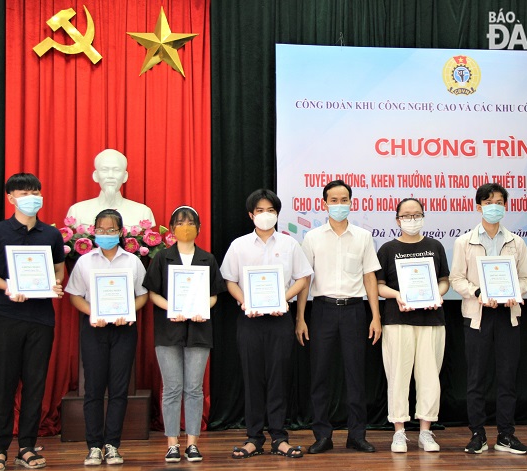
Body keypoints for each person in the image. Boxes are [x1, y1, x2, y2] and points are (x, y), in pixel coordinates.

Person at [0, 173, 65, 470]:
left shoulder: (50, 234)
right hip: (5, 316)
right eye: (24, 192)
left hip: (41, 319)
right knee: (4, 384)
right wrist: (8, 287)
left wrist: (53, 284)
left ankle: (26, 446)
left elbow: (58, 271)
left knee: (35, 385)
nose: (32, 196)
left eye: (36, 191)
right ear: (11, 197)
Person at [220, 189, 312, 459]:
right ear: (251, 215)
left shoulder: (289, 244)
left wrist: (280, 300)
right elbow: (230, 281)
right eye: (260, 211)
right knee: (252, 378)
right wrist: (246, 302)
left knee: (278, 378)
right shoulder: (239, 245)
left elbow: (302, 279)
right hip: (249, 321)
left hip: (279, 320)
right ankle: (254, 437)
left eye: (270, 211)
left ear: (277, 214)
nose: (265, 215)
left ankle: (279, 437)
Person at [296, 179, 382, 454]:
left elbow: (370, 277)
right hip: (322, 310)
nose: (339, 204)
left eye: (344, 199)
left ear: (351, 202)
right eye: (334, 200)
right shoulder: (312, 237)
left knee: (356, 375)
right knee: (320, 374)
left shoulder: (363, 237)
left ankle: (357, 435)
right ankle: (322, 435)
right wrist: (300, 317)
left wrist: (375, 316)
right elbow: (304, 280)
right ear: (324, 204)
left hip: (355, 311)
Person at [449, 182, 527, 455]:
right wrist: (477, 292)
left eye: (499, 201)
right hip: (477, 316)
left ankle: (506, 435)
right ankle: (478, 435)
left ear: (505, 206)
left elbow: (526, 279)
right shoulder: (464, 241)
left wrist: (514, 292)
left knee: (508, 379)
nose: (494, 206)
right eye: (488, 202)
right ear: (478, 206)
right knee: (476, 380)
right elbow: (456, 278)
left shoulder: (516, 242)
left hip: (508, 316)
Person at [143, 206, 226, 462]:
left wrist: (202, 308)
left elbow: (214, 295)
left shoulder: (207, 259)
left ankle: (191, 442)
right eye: (180, 222)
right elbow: (152, 293)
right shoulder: (162, 257)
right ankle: (171, 443)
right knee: (171, 387)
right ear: (172, 228)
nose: (185, 226)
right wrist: (173, 307)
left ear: (199, 229)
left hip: (199, 330)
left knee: (193, 388)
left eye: (190, 222)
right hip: (169, 331)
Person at [65, 209, 148, 466]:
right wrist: (94, 312)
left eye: (112, 230)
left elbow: (142, 294)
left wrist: (128, 311)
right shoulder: (85, 261)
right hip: (94, 328)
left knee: (119, 389)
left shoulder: (132, 261)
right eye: (101, 229)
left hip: (124, 329)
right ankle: (94, 446)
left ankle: (112, 444)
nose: (106, 234)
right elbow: (75, 296)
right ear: (93, 231)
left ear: (121, 232)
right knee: (93, 388)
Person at [376, 198, 450, 453]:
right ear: (397, 220)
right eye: (406, 216)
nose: (412, 219)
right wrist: (398, 295)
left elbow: (444, 281)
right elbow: (378, 286)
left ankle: (426, 432)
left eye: (416, 214)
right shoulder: (387, 249)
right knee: (398, 376)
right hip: (398, 321)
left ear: (423, 216)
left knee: (430, 377)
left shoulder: (434, 246)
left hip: (431, 321)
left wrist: (437, 295)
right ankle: (399, 431)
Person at [66, 149, 155, 228]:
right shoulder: (77, 211)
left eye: (116, 170)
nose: (110, 176)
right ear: (96, 175)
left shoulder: (143, 212)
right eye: (104, 170)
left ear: (125, 176)